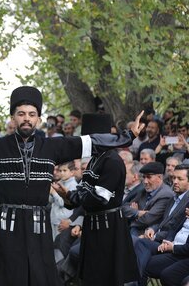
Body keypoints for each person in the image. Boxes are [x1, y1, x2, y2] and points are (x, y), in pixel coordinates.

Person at [0, 86, 144, 286]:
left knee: (40, 275)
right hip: (7, 224)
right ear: (12, 117)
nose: (27, 118)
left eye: (32, 114)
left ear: (38, 119)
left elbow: (92, 141)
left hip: (37, 226)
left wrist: (128, 135)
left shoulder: (53, 146)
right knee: (0, 274)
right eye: (21, 114)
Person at [53, 114, 140, 286]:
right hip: (93, 223)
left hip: (108, 226)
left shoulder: (113, 161)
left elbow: (99, 198)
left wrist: (73, 196)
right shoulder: (94, 159)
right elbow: (84, 190)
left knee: (106, 275)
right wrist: (68, 195)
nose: (88, 142)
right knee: (92, 275)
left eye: (91, 138)